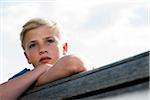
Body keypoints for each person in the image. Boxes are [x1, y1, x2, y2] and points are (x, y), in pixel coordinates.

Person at [0, 18, 87, 100]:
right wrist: (42, 69)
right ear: (27, 57)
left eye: (49, 41)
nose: (42, 49)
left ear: (64, 48)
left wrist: (37, 80)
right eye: (33, 45)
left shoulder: (25, 83)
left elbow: (74, 63)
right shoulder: (23, 76)